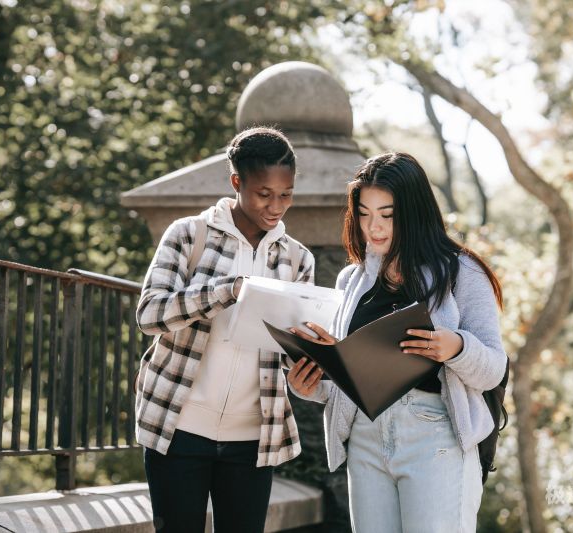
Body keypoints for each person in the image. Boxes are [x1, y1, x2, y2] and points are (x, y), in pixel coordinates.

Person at [287, 152, 507, 533]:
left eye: (387, 214)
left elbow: (493, 369)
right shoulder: (350, 282)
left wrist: (455, 347)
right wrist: (312, 385)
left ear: (414, 211)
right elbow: (355, 377)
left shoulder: (462, 272)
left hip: (435, 436)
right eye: (364, 213)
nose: (374, 227)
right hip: (365, 440)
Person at [135, 126, 315, 533]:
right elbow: (149, 314)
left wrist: (310, 354)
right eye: (263, 194)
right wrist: (226, 291)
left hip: (253, 438)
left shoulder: (297, 259)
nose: (276, 206)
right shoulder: (188, 234)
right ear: (237, 182)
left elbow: (287, 350)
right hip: (179, 429)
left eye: (285, 194)